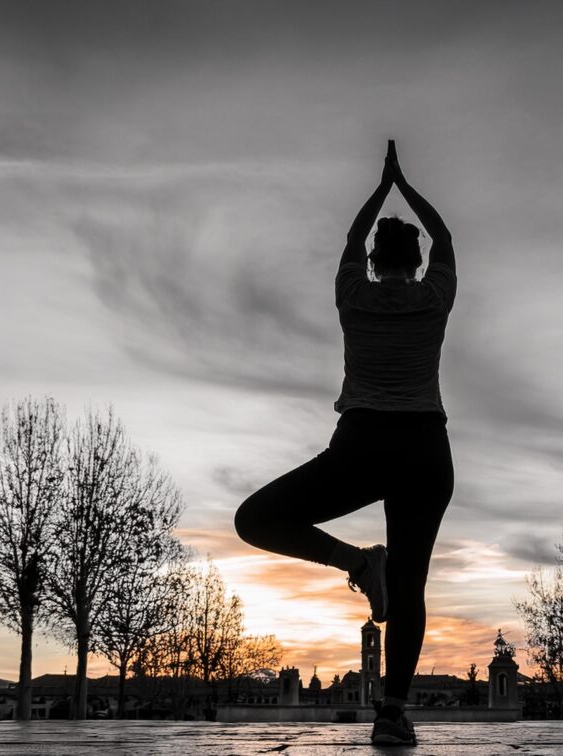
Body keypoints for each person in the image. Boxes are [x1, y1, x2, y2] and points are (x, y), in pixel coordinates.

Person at [234, 140, 456, 746]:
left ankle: (358, 563)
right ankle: (391, 715)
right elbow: (445, 237)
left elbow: (352, 240)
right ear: (414, 262)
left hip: (362, 444)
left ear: (374, 259)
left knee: (254, 520)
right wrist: (405, 185)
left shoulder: (351, 295)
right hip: (425, 450)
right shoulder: (436, 298)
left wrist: (378, 188)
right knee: (411, 584)